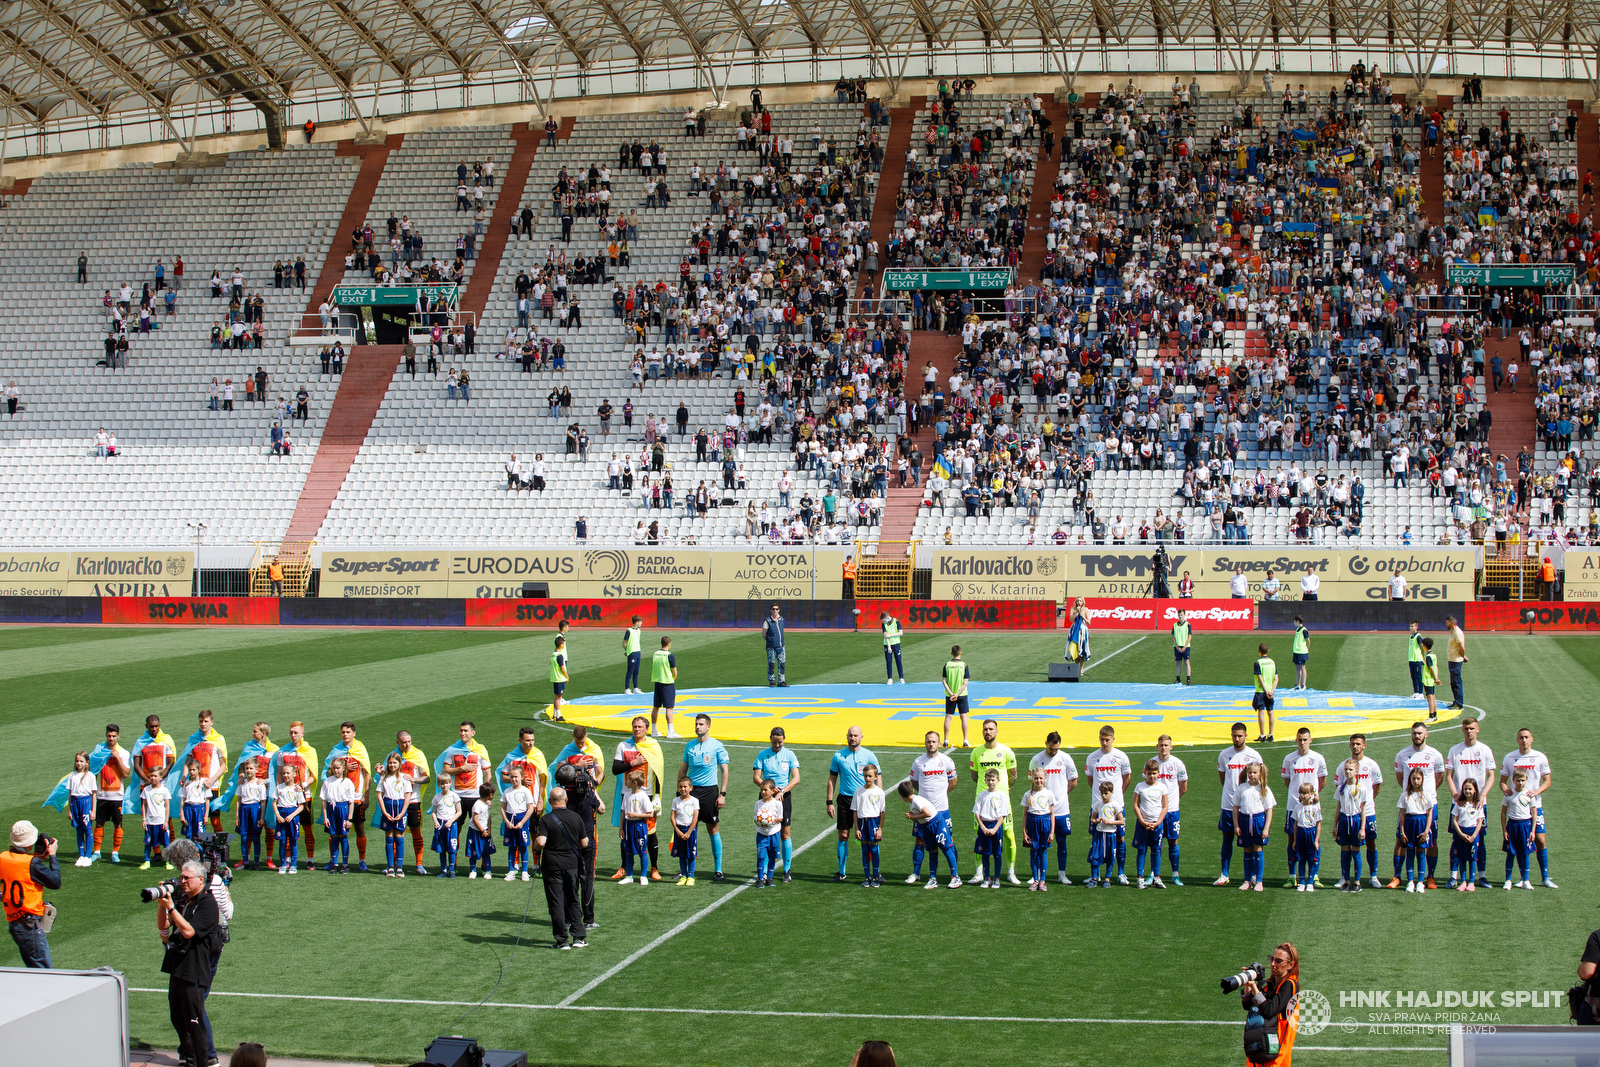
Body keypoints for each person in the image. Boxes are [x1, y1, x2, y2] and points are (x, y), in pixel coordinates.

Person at [157, 860, 221, 1066]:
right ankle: (189, 1059)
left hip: (194, 972)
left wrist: (172, 908)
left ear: (200, 880)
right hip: (177, 969)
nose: (182, 881)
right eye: (181, 877)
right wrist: (162, 904)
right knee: (177, 1020)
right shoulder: (185, 901)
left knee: (194, 1024)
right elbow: (164, 927)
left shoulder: (207, 903)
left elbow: (189, 932)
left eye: (187, 878)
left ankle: (202, 1062)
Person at [1387, 722, 1445, 890]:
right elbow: (1401, 779)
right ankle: (1397, 876)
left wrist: (1427, 795)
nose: (1417, 736)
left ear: (1426, 734)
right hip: (1410, 806)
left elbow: (1438, 778)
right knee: (1401, 839)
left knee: (1431, 840)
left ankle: (1430, 876)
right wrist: (1410, 795)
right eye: (1414, 733)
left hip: (1428, 806)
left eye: (1420, 733)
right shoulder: (1402, 755)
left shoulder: (1435, 755)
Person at [1499, 727, 1555, 888]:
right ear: (1517, 740)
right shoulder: (1510, 757)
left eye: (1526, 737)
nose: (1524, 740)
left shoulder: (1540, 757)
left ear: (1532, 739)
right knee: (1516, 843)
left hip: (1534, 806)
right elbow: (1502, 781)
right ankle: (1522, 877)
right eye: (1521, 737)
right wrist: (1506, 790)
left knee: (1540, 839)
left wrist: (1535, 792)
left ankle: (1545, 877)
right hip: (1517, 810)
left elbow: (1547, 780)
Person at [608, 717, 661, 882]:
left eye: (640, 727)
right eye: (634, 726)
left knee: (650, 832)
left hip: (648, 794)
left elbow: (659, 772)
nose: (636, 729)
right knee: (626, 831)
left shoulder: (653, 746)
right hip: (628, 794)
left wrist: (658, 795)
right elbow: (615, 769)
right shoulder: (623, 746)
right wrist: (633, 763)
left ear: (646, 729)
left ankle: (654, 867)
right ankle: (624, 867)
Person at [536, 787, 590, 949]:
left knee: (556, 902)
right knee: (573, 899)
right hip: (572, 865)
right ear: (565, 800)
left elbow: (540, 842)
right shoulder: (576, 818)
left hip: (552, 865)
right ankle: (579, 937)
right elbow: (584, 843)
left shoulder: (546, 819)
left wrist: (537, 849)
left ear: (551, 802)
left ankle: (561, 940)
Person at [679, 714, 729, 882]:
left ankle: (718, 869)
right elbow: (683, 770)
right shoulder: (689, 746)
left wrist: (722, 794)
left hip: (709, 793)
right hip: (691, 792)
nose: (697, 727)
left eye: (701, 724)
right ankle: (686, 869)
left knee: (712, 829)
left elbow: (725, 771)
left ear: (708, 726)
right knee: (689, 829)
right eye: (696, 724)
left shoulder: (717, 746)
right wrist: (680, 790)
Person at [969, 718, 1019, 884]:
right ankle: (979, 873)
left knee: (1009, 835)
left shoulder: (1006, 751)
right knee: (980, 836)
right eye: (985, 729)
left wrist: (1004, 789)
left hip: (1002, 803)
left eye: (991, 729)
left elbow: (1014, 774)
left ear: (997, 731)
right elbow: (975, 776)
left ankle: (1011, 872)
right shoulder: (976, 752)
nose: (988, 732)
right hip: (982, 804)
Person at [827, 725, 880, 882]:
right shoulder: (838, 756)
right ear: (847, 736)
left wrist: (879, 797)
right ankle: (841, 872)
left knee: (870, 837)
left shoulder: (870, 756)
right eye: (850, 735)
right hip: (845, 800)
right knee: (843, 835)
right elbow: (832, 779)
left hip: (866, 800)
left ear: (861, 737)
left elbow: (879, 777)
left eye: (856, 735)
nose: (853, 738)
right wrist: (829, 802)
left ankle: (875, 872)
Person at [3, 821, 59, 968]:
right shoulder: (32, 863)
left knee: (33, 969)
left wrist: (36, 858)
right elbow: (55, 882)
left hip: (14, 922)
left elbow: (19, 868)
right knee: (43, 971)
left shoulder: (3, 857)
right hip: (29, 924)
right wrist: (52, 856)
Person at [1333, 734, 1383, 889]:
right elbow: (1339, 789)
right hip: (1348, 814)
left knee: (1370, 842)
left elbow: (1377, 786)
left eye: (1358, 744)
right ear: (1349, 745)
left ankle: (1373, 876)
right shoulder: (1343, 766)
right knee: (1346, 845)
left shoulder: (1372, 765)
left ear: (1364, 746)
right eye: (1353, 744)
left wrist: (1363, 802)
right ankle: (1344, 877)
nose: (1355, 747)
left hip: (1367, 812)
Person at [1215, 723, 1262, 886]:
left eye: (1240, 735)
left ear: (1246, 736)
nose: (1237, 738)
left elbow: (1260, 780)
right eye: (1234, 735)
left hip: (1249, 808)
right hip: (1228, 805)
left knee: (1253, 843)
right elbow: (1224, 779)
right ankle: (1224, 874)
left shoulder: (1254, 755)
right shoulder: (1224, 755)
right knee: (1227, 839)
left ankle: (1254, 876)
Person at [1028, 731, 1078, 884]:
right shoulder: (1037, 759)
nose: (1054, 751)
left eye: (1056, 749)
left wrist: (1062, 795)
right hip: (1041, 811)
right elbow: (1032, 782)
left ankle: (1061, 873)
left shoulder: (1065, 758)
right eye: (1051, 749)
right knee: (1038, 843)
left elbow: (1074, 780)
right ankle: (1036, 875)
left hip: (1062, 810)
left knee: (1061, 841)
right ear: (1046, 743)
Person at [1279, 728, 1326, 889]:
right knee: (1292, 840)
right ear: (1296, 740)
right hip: (1293, 807)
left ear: (1311, 740)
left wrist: (1311, 798)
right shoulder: (1289, 759)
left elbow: (1322, 781)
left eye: (1305, 739)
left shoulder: (1318, 758)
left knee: (1314, 840)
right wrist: (1297, 798)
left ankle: (1315, 876)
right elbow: (1288, 782)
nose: (1303, 743)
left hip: (1312, 808)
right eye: (1300, 739)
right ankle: (1292, 876)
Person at [1238, 944, 1300, 1066]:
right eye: (1272, 959)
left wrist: (1254, 988)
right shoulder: (1269, 985)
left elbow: (1268, 1010)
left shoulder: (1290, 985)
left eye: (1278, 961)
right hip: (1261, 1050)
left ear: (1290, 965)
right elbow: (1248, 1005)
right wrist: (1247, 984)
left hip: (1276, 1054)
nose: (1272, 964)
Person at [1085, 725, 1132, 884]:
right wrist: (1100, 800)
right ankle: (1095, 874)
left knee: (1120, 838)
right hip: (1098, 806)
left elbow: (1127, 778)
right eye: (1102, 739)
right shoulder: (1092, 757)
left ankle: (1120, 873)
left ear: (1113, 739)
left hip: (1116, 806)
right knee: (1096, 838)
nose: (1104, 743)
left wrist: (1116, 797)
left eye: (1107, 740)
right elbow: (1091, 781)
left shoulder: (1121, 756)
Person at [753, 727, 800, 881]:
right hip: (766, 796)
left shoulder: (790, 755)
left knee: (785, 833)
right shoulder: (762, 754)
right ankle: (765, 871)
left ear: (784, 740)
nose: (777, 745)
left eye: (780, 742)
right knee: (765, 831)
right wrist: (768, 789)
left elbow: (796, 778)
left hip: (783, 797)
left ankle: (787, 870)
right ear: (770, 739)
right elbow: (756, 777)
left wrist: (783, 791)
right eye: (774, 742)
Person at [897, 778, 960, 888]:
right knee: (932, 851)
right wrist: (912, 817)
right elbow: (919, 819)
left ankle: (955, 877)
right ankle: (932, 878)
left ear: (902, 797)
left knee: (946, 848)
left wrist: (913, 816)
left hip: (936, 824)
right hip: (926, 826)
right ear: (912, 790)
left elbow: (928, 813)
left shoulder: (917, 801)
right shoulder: (912, 803)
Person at [386, 730, 431, 875]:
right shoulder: (392, 756)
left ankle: (419, 863)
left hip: (413, 801)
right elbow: (385, 777)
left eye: (409, 741)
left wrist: (413, 779)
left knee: (415, 830)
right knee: (394, 833)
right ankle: (393, 865)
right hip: (396, 801)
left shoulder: (418, 755)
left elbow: (427, 778)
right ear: (397, 742)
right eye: (404, 742)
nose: (407, 745)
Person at [1234, 762, 1275, 891]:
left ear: (1260, 773)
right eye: (1250, 772)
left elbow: (1269, 809)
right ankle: (1247, 880)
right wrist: (1236, 825)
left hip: (1258, 821)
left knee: (1258, 850)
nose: (1252, 775)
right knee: (1247, 850)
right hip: (1244, 820)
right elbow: (1235, 807)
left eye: (1254, 772)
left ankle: (1259, 881)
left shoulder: (1264, 789)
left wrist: (1266, 828)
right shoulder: (1241, 788)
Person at [1154, 734, 1188, 885]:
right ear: (1157, 746)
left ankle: (1175, 874)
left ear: (1171, 747)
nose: (1163, 748)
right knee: (1156, 843)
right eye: (1161, 745)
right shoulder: (1152, 763)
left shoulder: (1178, 764)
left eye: (1166, 745)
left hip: (1173, 811)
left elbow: (1183, 787)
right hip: (1155, 811)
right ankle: (1155, 875)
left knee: (1173, 842)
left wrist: (1171, 802)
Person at [971, 768, 1009, 888]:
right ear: (985, 780)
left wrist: (995, 829)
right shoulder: (981, 795)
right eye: (988, 780)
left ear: (998, 780)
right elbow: (977, 813)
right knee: (985, 853)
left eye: (993, 780)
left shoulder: (1002, 796)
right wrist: (982, 827)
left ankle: (996, 879)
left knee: (997, 854)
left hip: (995, 827)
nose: (991, 782)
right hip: (984, 826)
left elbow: (1002, 815)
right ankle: (987, 878)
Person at [1502, 770, 1538, 889]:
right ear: (1513, 780)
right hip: (1512, 825)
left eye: (1523, 780)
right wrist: (1504, 830)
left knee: (1525, 853)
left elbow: (1533, 812)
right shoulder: (1509, 794)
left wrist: (1532, 830)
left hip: (1525, 826)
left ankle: (1526, 880)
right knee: (1511, 853)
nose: (1521, 783)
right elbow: (1503, 812)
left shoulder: (1529, 795)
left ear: (1526, 780)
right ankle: (1508, 880)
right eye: (1518, 780)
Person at [320, 757, 357, 873]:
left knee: (343, 837)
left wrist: (349, 819)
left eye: (338, 768)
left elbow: (351, 802)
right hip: (332, 810)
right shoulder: (327, 781)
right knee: (334, 837)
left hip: (343, 809)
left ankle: (345, 864)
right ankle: (335, 863)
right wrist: (325, 817)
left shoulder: (347, 782)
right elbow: (324, 801)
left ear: (343, 768)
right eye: (334, 768)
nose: (336, 771)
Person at [852, 765, 886, 888]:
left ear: (876, 777)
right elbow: (855, 811)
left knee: (874, 850)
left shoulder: (880, 792)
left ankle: (875, 876)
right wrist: (856, 828)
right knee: (865, 850)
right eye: (865, 776)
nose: (867, 778)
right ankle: (867, 877)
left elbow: (882, 812)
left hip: (874, 823)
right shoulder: (858, 791)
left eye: (870, 776)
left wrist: (880, 828)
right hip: (862, 823)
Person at [1448, 779, 1485, 892]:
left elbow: (1480, 822)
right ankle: (1463, 882)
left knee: (1472, 858)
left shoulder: (1478, 805)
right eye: (1465, 789)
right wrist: (1460, 833)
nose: (1467, 791)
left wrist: (1473, 836)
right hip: (1461, 833)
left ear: (1475, 790)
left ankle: (1471, 882)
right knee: (1462, 858)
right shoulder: (1459, 804)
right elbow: (1454, 820)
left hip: (1473, 834)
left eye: (1470, 789)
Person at [1086, 780, 1123, 887]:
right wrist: (1096, 821)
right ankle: (1094, 878)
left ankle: (1107, 879)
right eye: (1102, 793)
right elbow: (1092, 818)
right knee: (1095, 855)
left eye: (1106, 793)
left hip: (1111, 834)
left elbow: (1121, 821)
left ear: (1112, 792)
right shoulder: (1097, 804)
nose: (1104, 796)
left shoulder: (1115, 805)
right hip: (1099, 834)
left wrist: (1110, 822)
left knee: (1110, 856)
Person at [753, 779, 784, 887]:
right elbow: (755, 818)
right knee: (761, 857)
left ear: (772, 791)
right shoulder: (758, 804)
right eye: (761, 790)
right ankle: (760, 878)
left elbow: (781, 818)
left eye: (765, 790)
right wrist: (760, 821)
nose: (763, 792)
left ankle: (770, 878)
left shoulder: (777, 804)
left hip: (774, 834)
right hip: (762, 835)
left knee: (772, 856)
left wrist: (775, 820)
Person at [431, 773, 461, 878]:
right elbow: (433, 812)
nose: (445, 785)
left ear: (450, 783)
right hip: (440, 825)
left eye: (447, 783)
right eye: (442, 783)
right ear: (439, 784)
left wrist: (451, 821)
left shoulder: (454, 796)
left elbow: (459, 811)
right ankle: (443, 869)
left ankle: (451, 869)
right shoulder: (437, 797)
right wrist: (435, 821)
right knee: (441, 848)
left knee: (452, 848)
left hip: (451, 825)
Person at [941, 645, 971, 748]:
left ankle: (945, 740)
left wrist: (951, 694)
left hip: (950, 695)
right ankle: (965, 740)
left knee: (948, 717)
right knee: (963, 717)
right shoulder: (964, 665)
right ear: (961, 653)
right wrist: (957, 694)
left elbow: (944, 681)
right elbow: (965, 683)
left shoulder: (947, 665)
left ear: (951, 653)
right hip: (962, 695)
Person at [650, 636, 681, 738]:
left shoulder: (655, 654)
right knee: (669, 707)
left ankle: (654, 730)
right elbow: (674, 671)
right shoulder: (670, 655)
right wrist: (673, 678)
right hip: (667, 682)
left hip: (657, 681)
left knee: (656, 706)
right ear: (669, 644)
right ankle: (670, 731)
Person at [1253, 642, 1278, 743]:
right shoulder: (1272, 662)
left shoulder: (1258, 663)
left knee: (1261, 712)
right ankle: (1270, 734)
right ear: (1268, 651)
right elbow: (1276, 678)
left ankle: (1262, 735)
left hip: (1261, 691)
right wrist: (1272, 691)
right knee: (1271, 711)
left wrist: (1266, 691)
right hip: (1270, 690)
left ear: (1259, 651)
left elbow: (1260, 679)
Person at [1444, 615, 1468, 711]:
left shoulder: (1457, 633)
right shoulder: (1453, 632)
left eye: (1447, 622)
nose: (1446, 624)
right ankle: (1456, 701)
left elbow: (1461, 647)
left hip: (1456, 661)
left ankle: (1459, 703)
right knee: (1453, 682)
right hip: (1452, 660)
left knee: (1456, 682)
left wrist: (1462, 656)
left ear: (1452, 623)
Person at [762, 604, 787, 686]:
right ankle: (772, 680)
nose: (775, 611)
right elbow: (764, 633)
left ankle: (781, 681)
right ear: (771, 610)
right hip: (771, 647)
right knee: (771, 664)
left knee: (782, 664)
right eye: (773, 609)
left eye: (776, 609)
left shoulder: (781, 619)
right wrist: (770, 640)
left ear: (779, 610)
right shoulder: (767, 621)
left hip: (781, 646)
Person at [549, 635, 570, 721]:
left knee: (556, 697)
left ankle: (554, 714)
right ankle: (558, 715)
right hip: (559, 678)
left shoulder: (553, 655)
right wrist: (567, 676)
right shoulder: (560, 656)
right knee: (558, 698)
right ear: (561, 645)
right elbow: (562, 668)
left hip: (555, 678)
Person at [1419, 637, 1440, 722]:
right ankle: (1434, 714)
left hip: (1428, 679)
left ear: (1424, 646)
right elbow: (1436, 667)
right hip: (1432, 679)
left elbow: (1431, 668)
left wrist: (1435, 678)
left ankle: (1431, 716)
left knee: (1430, 697)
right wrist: (1436, 678)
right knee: (1433, 697)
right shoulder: (1433, 655)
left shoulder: (1428, 657)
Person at [621, 614, 644, 694]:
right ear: (636, 622)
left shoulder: (639, 631)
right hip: (632, 653)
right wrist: (627, 650)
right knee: (630, 671)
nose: (641, 624)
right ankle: (627, 688)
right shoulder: (629, 631)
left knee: (636, 671)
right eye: (640, 622)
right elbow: (624, 643)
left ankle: (635, 688)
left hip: (638, 652)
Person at [880, 611, 905, 684]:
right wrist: (889, 646)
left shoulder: (896, 621)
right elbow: (886, 635)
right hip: (887, 645)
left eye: (884, 620)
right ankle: (890, 678)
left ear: (888, 617)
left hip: (896, 644)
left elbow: (901, 633)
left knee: (898, 661)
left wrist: (891, 635)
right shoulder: (883, 624)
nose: (883, 622)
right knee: (889, 662)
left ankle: (901, 678)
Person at [1171, 608, 1193, 685]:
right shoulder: (1175, 625)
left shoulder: (1188, 624)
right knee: (1178, 663)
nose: (1180, 616)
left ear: (1184, 615)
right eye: (1179, 615)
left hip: (1185, 646)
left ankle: (1188, 679)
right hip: (1177, 647)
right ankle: (1178, 678)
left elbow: (1190, 636)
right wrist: (1177, 647)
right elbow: (1173, 637)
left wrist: (1185, 646)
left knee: (1187, 662)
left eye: (1182, 615)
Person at [1289, 616, 1310, 690]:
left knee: (1302, 667)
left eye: (1294, 621)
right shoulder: (1297, 629)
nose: (1293, 623)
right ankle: (1297, 684)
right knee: (1297, 667)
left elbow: (1308, 640)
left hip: (1302, 652)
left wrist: (1306, 648)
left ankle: (1304, 685)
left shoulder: (1304, 630)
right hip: (1296, 651)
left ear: (1298, 621)